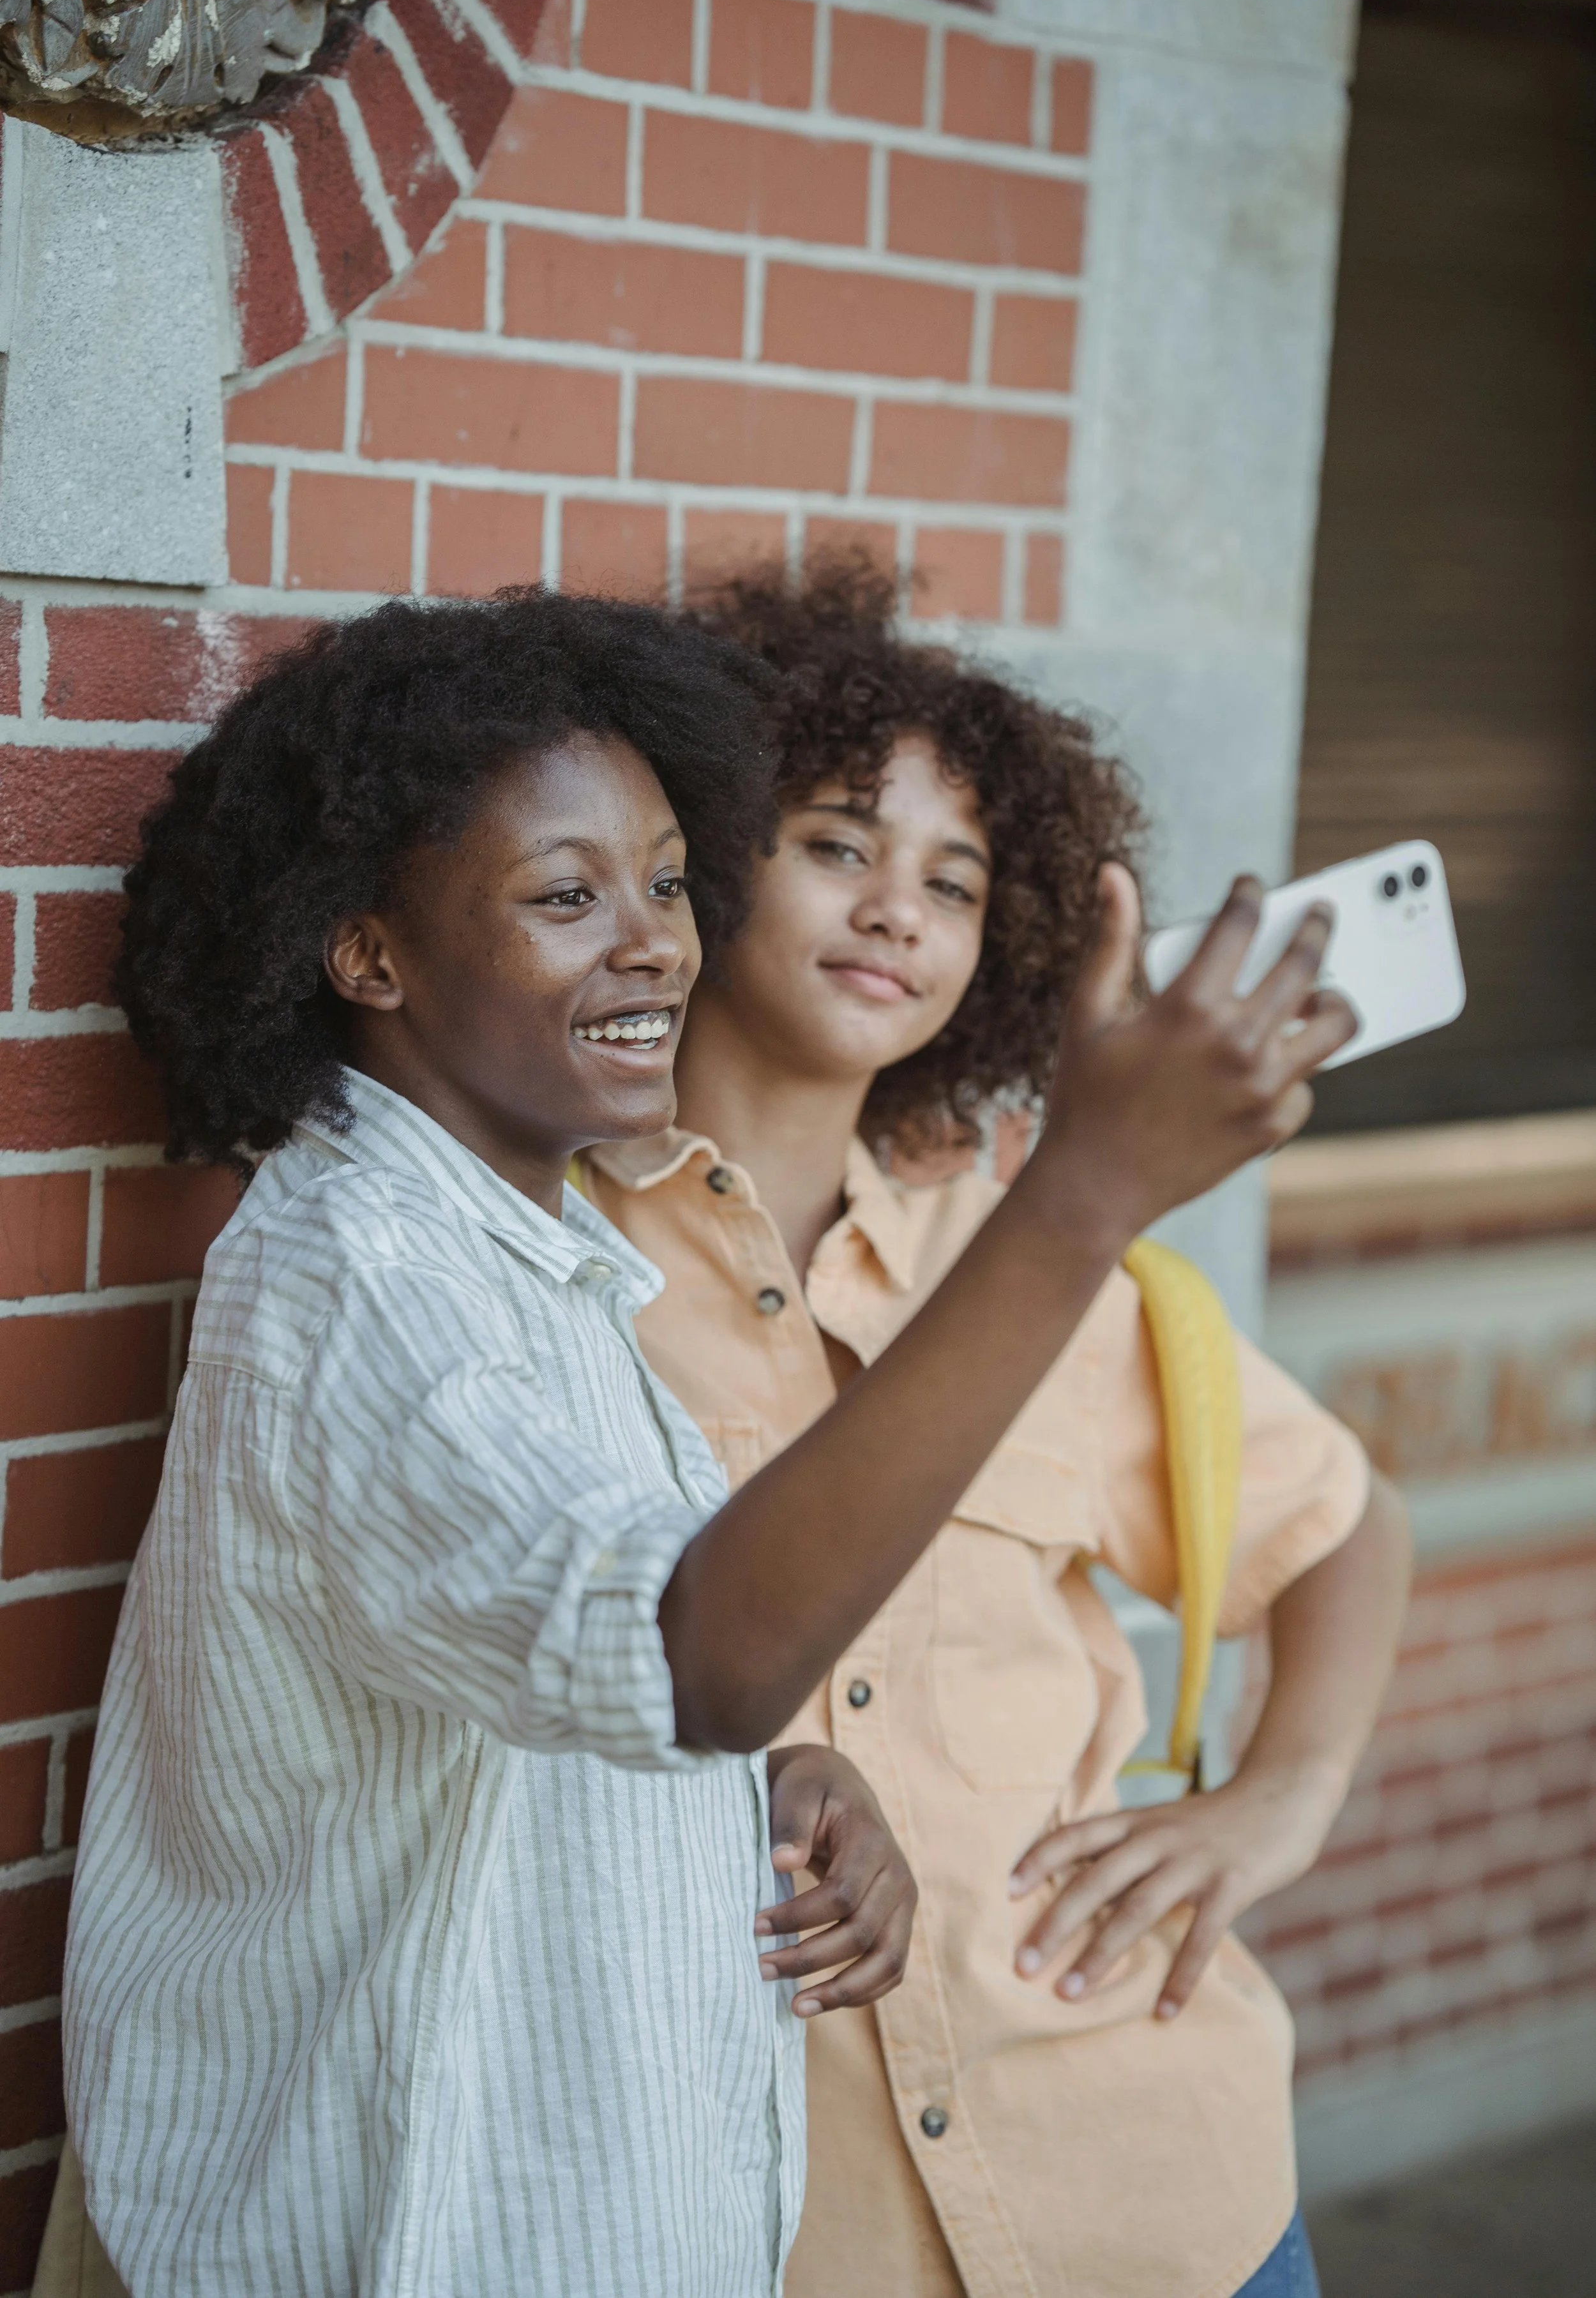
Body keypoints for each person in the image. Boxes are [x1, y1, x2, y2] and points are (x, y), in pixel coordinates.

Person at [57, 587, 1353, 2298]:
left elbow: (562, 1665)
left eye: (667, 881)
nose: (655, 938)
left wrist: (760, 1786)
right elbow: (700, 1651)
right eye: (566, 893)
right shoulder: (365, 1283)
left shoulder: (538, 1266)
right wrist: (1089, 1188)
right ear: (368, 951)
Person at [578, 560, 1413, 2298]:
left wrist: (1279, 1799)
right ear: (698, 852)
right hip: (775, 2227)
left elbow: (1340, 1522)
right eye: (834, 842)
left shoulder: (1027, 1263)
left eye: (951, 882)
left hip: (1163, 2190)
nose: (896, 908)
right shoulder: (541, 1266)